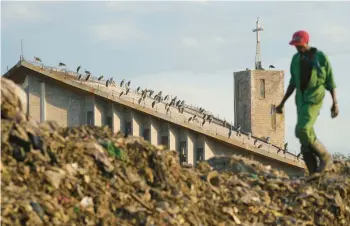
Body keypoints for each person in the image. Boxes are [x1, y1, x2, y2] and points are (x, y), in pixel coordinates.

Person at [275, 30, 339, 175]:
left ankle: (325, 158)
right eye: (296, 46)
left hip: (314, 99)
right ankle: (314, 173)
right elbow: (292, 83)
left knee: (302, 130)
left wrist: (335, 103)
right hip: (301, 101)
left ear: (306, 42)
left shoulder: (320, 58)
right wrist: (282, 103)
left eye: (300, 45)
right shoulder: (295, 60)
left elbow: (330, 81)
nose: (298, 48)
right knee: (304, 140)